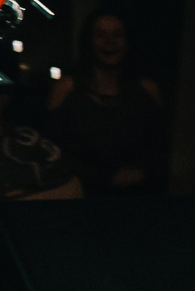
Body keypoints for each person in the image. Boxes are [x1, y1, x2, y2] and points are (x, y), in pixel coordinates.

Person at [46, 12, 167, 193]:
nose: (109, 41)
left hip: (138, 198)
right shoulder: (66, 88)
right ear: (89, 41)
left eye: (117, 35)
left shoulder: (147, 89)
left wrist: (141, 174)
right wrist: (105, 178)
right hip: (81, 197)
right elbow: (51, 152)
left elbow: (160, 150)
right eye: (100, 35)